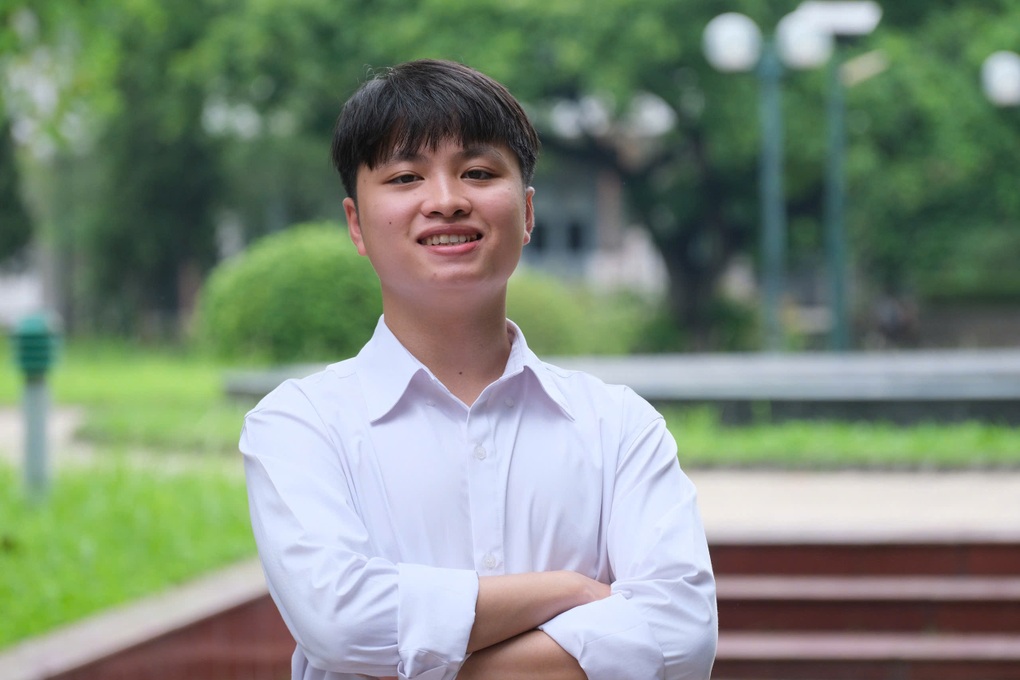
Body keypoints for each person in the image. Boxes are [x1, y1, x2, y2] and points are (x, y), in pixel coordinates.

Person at [240, 58, 717, 680]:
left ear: (527, 212)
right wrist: (569, 591)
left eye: (478, 173)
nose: (446, 201)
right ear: (356, 224)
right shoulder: (299, 426)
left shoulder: (619, 426)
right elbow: (341, 622)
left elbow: (682, 635)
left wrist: (424, 662)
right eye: (406, 177)